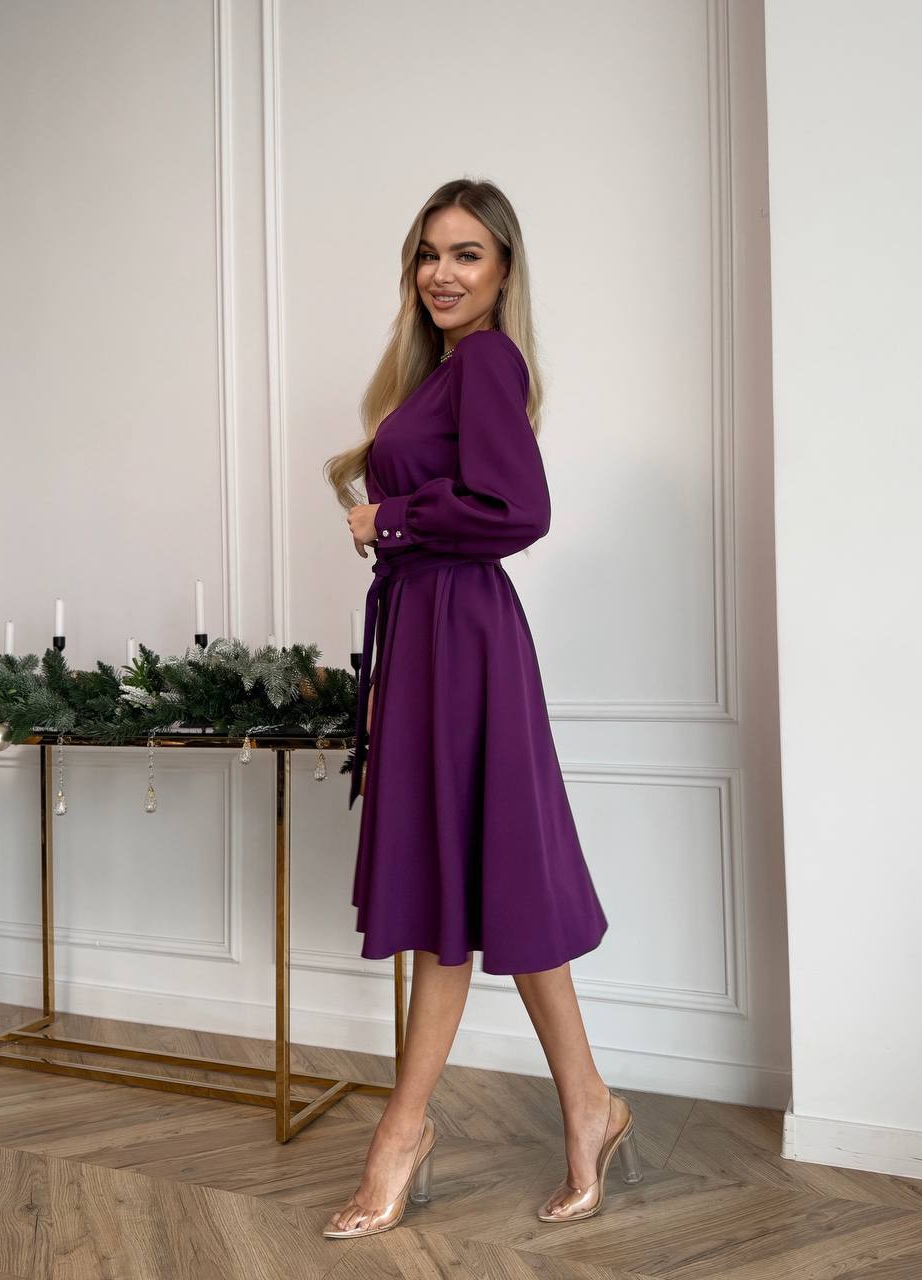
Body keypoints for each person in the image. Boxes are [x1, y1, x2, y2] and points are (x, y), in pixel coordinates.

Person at [321, 178, 642, 1239]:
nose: (444, 274)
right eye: (428, 254)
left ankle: (403, 1130)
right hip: (432, 637)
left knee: (454, 891)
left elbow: (521, 510)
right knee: (485, 872)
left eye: (467, 254)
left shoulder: (490, 361)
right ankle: (589, 1104)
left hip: (461, 637)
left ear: (504, 270)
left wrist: (390, 515)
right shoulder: (440, 375)